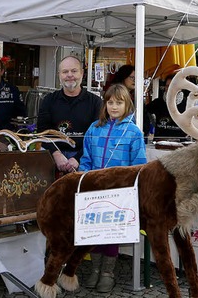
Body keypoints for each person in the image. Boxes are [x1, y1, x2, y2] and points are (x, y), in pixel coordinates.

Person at [79, 84, 147, 293]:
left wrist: (129, 188)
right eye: (110, 102)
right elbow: (86, 158)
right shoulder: (94, 128)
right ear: (105, 104)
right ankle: (95, 270)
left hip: (119, 193)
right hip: (94, 191)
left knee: (111, 233)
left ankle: (108, 272)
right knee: (94, 232)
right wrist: (83, 179)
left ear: (127, 104)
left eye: (119, 102)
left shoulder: (133, 132)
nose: (114, 106)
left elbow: (139, 165)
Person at [37, 56, 103, 174]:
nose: (69, 75)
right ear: (59, 75)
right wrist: (56, 154)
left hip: (85, 159)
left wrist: (78, 158)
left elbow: (97, 136)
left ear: (82, 73)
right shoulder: (48, 100)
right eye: (65, 72)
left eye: (74, 71)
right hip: (52, 157)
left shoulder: (95, 102)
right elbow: (42, 131)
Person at [145, 74, 188, 139]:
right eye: (167, 86)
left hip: (180, 144)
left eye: (173, 86)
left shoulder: (187, 104)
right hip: (160, 143)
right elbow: (144, 112)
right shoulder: (158, 102)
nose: (169, 88)